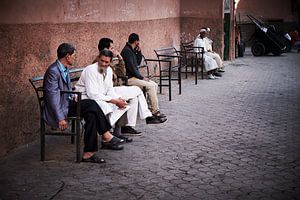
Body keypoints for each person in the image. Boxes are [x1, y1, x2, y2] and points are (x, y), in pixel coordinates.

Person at [43, 43, 123, 164]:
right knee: (91, 104)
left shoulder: (62, 68)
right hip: (60, 108)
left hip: (68, 102)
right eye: (74, 55)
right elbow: (52, 96)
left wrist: (74, 95)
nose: (75, 58)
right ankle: (106, 135)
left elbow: (66, 90)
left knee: (91, 114)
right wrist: (60, 118)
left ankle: (88, 154)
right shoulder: (53, 71)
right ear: (67, 56)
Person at [75, 49, 165, 138]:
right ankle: (107, 135)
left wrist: (117, 99)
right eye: (101, 61)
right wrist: (114, 101)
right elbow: (92, 94)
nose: (103, 64)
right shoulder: (91, 70)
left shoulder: (109, 70)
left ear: (110, 62)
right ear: (98, 58)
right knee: (107, 106)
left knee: (124, 103)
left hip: (102, 95)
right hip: (85, 97)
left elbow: (109, 89)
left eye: (106, 62)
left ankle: (118, 131)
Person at [121, 33, 167, 119]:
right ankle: (155, 111)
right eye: (138, 41)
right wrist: (142, 78)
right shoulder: (127, 51)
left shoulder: (131, 50)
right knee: (150, 86)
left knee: (154, 84)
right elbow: (132, 68)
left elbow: (137, 63)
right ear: (136, 41)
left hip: (134, 77)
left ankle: (150, 108)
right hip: (129, 78)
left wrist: (139, 52)